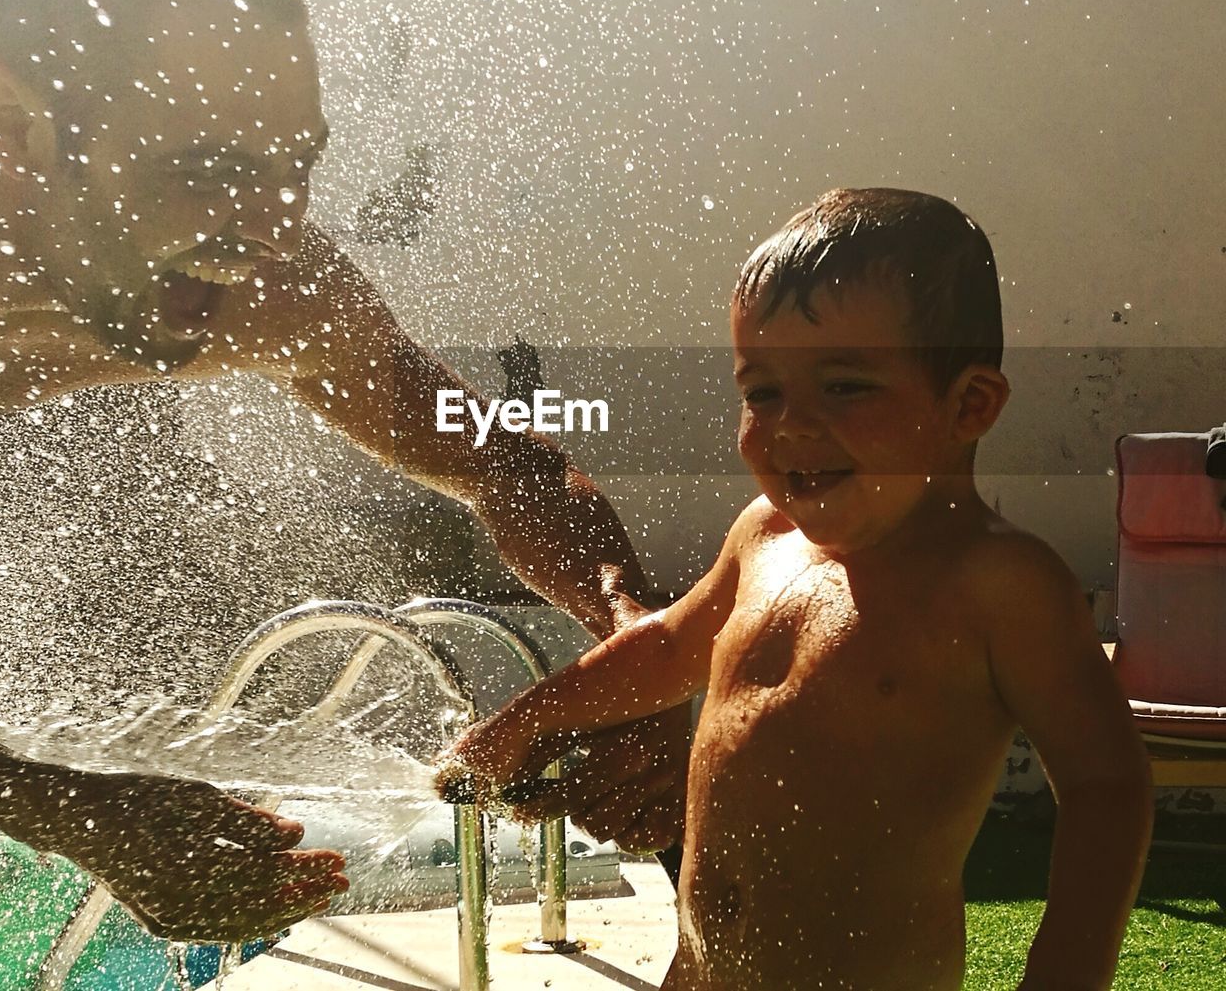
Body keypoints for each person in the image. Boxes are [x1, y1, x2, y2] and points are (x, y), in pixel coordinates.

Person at [0, 0, 683, 984]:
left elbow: (499, 464)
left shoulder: (274, 292)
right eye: (210, 171)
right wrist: (74, 813)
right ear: (11, 123)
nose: (274, 235)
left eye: (297, 168)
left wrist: (636, 635)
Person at [442, 188, 1155, 990]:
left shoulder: (996, 583)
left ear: (969, 404)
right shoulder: (765, 533)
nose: (790, 425)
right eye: (762, 391)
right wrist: (524, 721)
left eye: (845, 385)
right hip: (701, 972)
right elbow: (670, 645)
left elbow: (1106, 785)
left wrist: (1067, 969)